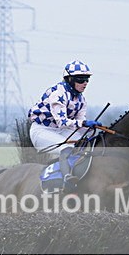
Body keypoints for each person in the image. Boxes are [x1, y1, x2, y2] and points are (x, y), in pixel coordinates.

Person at [28, 60, 102, 192]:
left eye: (87, 79)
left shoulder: (81, 99)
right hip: (42, 130)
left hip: (61, 131)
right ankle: (67, 178)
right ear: (70, 79)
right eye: (81, 79)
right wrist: (84, 123)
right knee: (66, 148)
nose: (85, 83)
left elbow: (79, 126)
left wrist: (92, 128)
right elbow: (62, 122)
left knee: (84, 144)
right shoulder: (58, 94)